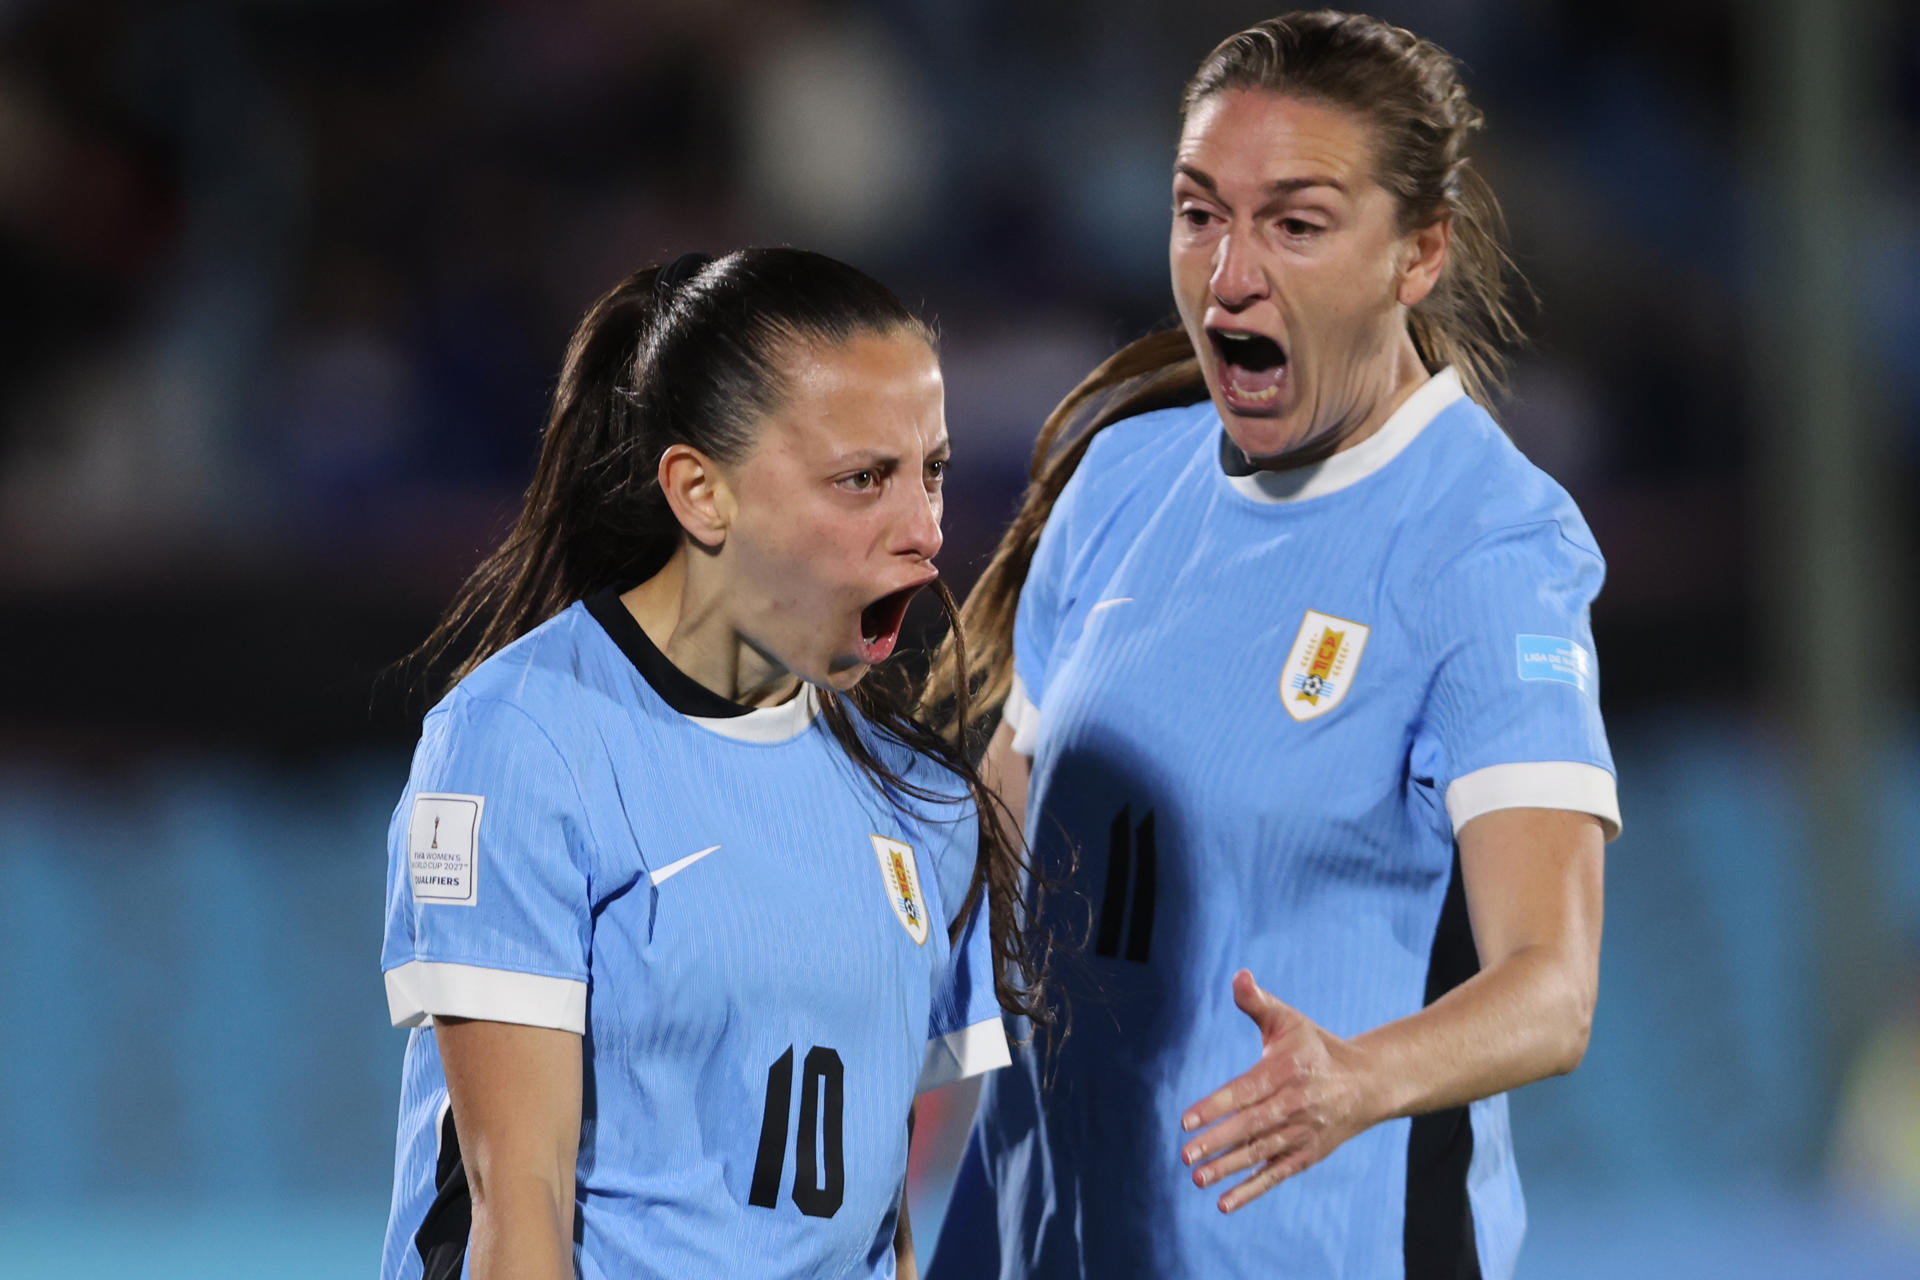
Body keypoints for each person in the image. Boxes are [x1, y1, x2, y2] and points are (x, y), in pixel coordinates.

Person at [926, 13, 1618, 1280]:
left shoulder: (1488, 544)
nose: (1229, 273)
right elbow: (999, 882)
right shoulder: (1118, 483)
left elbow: (1552, 986)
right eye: (1200, 213)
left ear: (1419, 252)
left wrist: (1359, 1076)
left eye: (1296, 224)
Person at [377, 248, 1044, 1280]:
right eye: (863, 479)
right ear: (701, 493)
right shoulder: (519, 741)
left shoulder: (920, 800)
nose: (925, 529)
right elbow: (519, 1199)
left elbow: (880, 1216)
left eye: (934, 471)